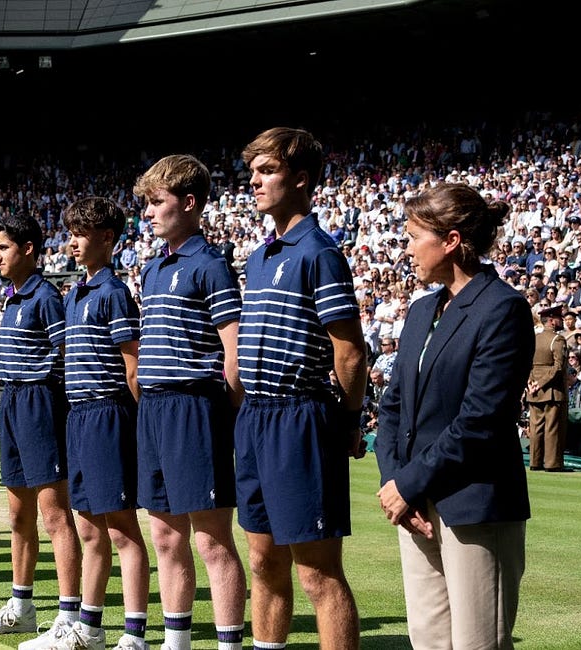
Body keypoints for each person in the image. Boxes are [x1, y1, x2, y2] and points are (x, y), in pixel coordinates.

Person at [375, 182, 533, 650]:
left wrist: (408, 484)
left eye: (413, 236)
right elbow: (392, 407)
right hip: (414, 504)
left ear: (451, 240)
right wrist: (396, 486)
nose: (405, 249)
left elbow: (480, 419)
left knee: (478, 643)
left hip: (473, 503)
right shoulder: (422, 310)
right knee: (427, 640)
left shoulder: (502, 308)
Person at [236, 128, 368, 650]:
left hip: (301, 417)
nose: (255, 182)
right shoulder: (259, 257)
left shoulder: (319, 252)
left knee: (317, 572)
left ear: (301, 180)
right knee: (264, 561)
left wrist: (349, 420)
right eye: (253, 172)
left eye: (266, 171)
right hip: (256, 417)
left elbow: (350, 350)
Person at [131, 154, 246, 650]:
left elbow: (233, 348)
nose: (149, 213)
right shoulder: (154, 269)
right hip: (154, 408)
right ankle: (175, 642)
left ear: (190, 203)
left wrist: (225, 411)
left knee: (211, 539)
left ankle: (227, 645)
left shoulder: (210, 264)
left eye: (157, 202)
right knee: (165, 537)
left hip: (194, 407)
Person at [35, 196, 150, 650]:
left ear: (107, 239)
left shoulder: (114, 292)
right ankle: (90, 628)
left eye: (81, 235)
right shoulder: (75, 294)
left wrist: (140, 426)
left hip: (108, 412)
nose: (72, 243)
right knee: (87, 527)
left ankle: (135, 634)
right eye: (70, 234)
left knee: (121, 527)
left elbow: (133, 365)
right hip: (78, 414)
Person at [0, 215, 81, 638]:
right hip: (12, 400)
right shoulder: (13, 298)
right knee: (18, 515)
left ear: (28, 249)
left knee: (55, 515)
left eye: (3, 248)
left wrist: (51, 402)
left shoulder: (45, 297)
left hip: (40, 401)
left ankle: (69, 616)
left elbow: (65, 352)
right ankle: (22, 605)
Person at [527, 305, 570, 472]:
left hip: (534, 389)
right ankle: (553, 464)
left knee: (536, 427)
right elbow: (558, 367)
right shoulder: (557, 340)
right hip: (553, 390)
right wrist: (541, 383)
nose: (561, 321)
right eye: (559, 318)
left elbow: (526, 364)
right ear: (552, 321)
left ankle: (535, 462)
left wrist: (531, 383)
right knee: (553, 428)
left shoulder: (534, 339)